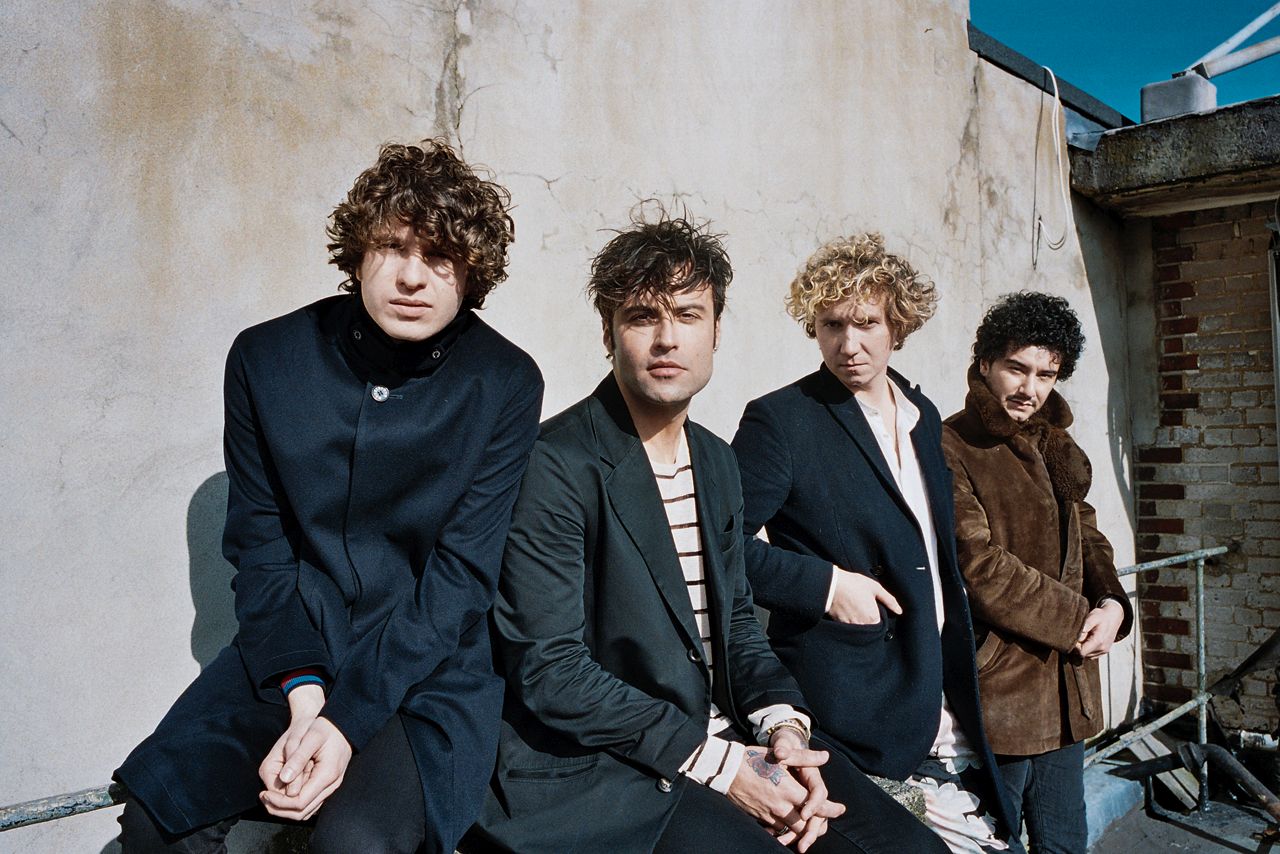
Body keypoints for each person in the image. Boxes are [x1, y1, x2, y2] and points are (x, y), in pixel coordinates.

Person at [466, 212, 945, 854]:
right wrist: (724, 768)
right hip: (616, 768)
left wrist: (785, 729)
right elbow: (551, 669)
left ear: (717, 331)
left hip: (732, 739)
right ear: (608, 333)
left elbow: (737, 622)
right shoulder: (553, 464)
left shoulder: (716, 461)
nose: (667, 339)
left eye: (688, 316)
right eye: (643, 317)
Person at [114, 139, 544, 853]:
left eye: (440, 256)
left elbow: (462, 577)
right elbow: (260, 547)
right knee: (157, 816)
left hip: (424, 671)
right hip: (289, 652)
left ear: (472, 271)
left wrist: (344, 724)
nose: (412, 276)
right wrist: (304, 694)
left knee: (356, 844)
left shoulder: (504, 381)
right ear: (358, 252)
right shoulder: (267, 357)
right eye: (393, 247)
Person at [731, 233, 1019, 852]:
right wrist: (825, 585)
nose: (848, 344)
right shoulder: (780, 420)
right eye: (832, 325)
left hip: (942, 695)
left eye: (866, 323)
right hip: (849, 709)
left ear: (898, 326)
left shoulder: (922, 415)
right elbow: (719, 548)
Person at [941, 291, 1132, 854]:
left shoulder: (1054, 443)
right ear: (985, 364)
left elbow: (1086, 531)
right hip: (1001, 690)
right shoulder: (952, 444)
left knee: (1065, 844)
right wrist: (1077, 619)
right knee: (993, 843)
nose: (1030, 388)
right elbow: (977, 564)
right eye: (1016, 368)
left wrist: (1113, 605)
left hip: (1068, 687)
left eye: (1045, 375)